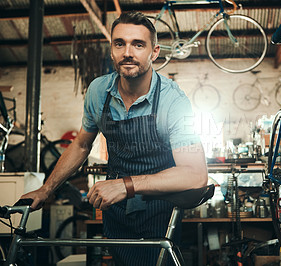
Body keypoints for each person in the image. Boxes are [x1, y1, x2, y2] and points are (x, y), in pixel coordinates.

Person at [21, 11, 208, 265]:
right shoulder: (99, 92)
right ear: (112, 50)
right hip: (115, 211)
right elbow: (81, 144)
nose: (127, 52)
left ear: (154, 52)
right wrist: (46, 190)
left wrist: (125, 185)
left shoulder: (173, 101)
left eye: (138, 44)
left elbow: (195, 174)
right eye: (120, 43)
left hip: (159, 212)